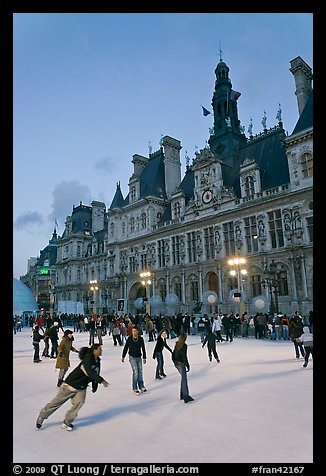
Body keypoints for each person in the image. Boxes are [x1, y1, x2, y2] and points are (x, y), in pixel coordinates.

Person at [35, 344, 109, 431]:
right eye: (100, 349)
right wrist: (101, 380)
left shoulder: (97, 361)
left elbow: (95, 373)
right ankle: (42, 416)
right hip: (69, 385)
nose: (101, 350)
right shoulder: (87, 359)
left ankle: (67, 422)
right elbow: (89, 372)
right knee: (56, 403)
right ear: (94, 350)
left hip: (81, 387)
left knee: (78, 403)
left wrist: (95, 385)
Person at [121, 326, 147, 395]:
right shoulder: (129, 339)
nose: (134, 332)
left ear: (137, 331)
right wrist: (123, 356)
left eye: (135, 331)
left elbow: (143, 348)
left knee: (140, 371)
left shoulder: (140, 339)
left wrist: (144, 357)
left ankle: (141, 386)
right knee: (136, 372)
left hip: (139, 357)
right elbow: (126, 347)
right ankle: (135, 387)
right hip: (132, 357)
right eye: (133, 331)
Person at [172, 332, 194, 403]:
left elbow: (173, 353)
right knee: (184, 379)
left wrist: (174, 361)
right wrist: (187, 365)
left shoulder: (177, 344)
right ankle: (186, 396)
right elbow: (184, 356)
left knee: (183, 378)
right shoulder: (184, 345)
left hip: (176, 363)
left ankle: (182, 394)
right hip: (180, 363)